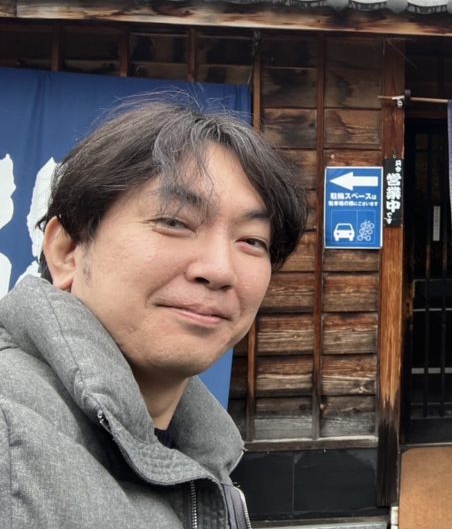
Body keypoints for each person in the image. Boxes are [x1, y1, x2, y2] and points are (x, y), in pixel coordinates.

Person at [0, 101, 307, 528]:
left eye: (252, 241)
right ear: (68, 250)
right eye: (175, 222)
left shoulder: (204, 451)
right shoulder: (11, 438)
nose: (220, 270)